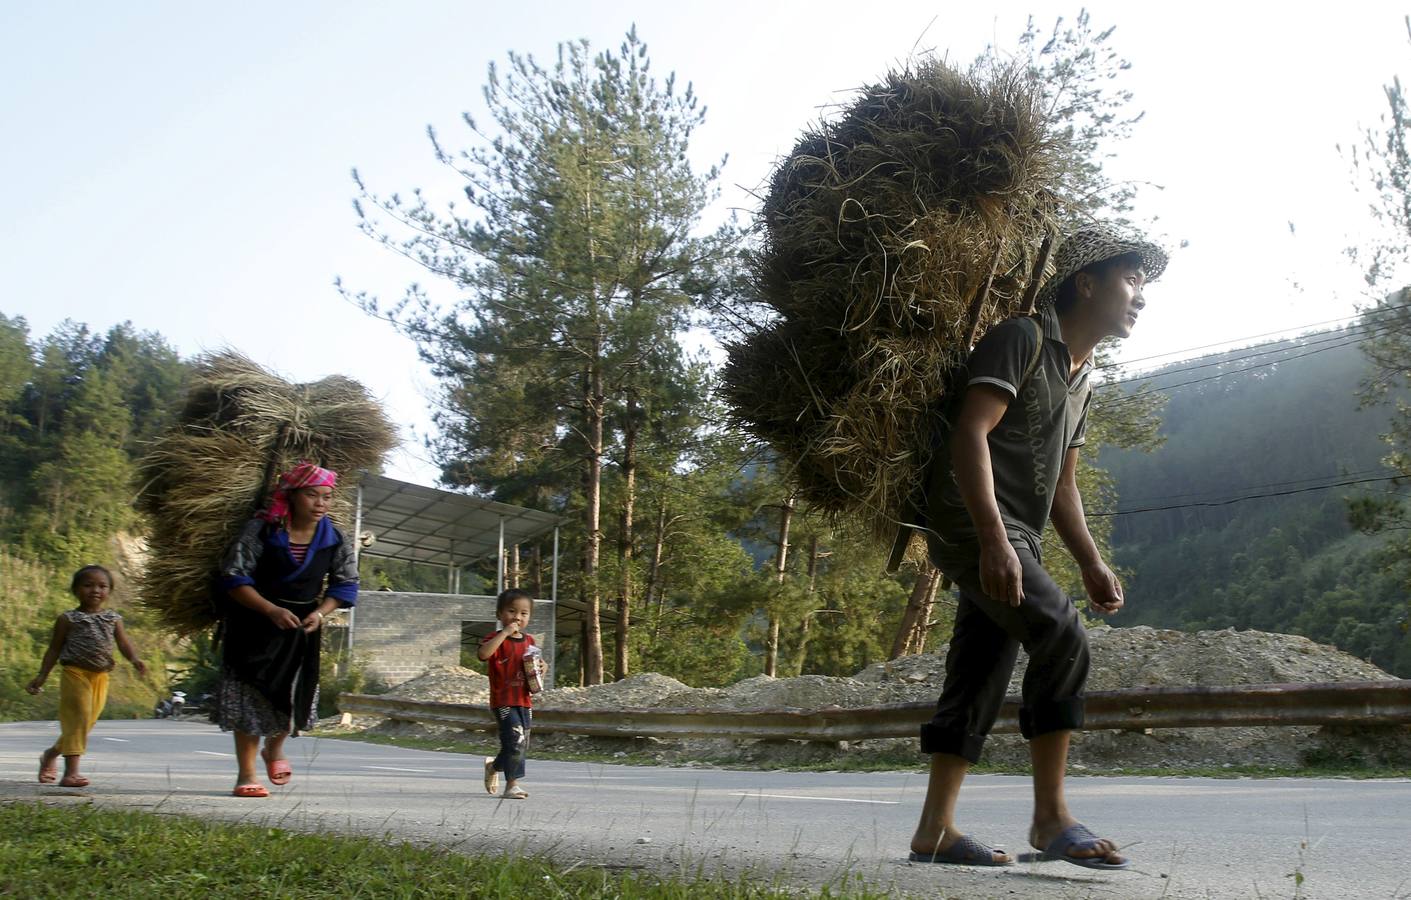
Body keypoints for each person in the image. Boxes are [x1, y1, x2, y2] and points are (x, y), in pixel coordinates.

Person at [911, 224, 1168, 870]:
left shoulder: (1082, 378)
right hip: (969, 518)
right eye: (1131, 280)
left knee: (982, 662)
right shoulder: (1021, 339)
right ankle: (1050, 817)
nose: (1141, 296)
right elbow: (970, 433)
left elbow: (1063, 485)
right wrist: (992, 539)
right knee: (1060, 633)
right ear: (1086, 284)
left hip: (1014, 532)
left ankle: (934, 829)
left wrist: (1090, 561)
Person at [214, 461, 358, 798]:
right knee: (250, 695)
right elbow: (234, 577)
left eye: (326, 497)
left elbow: (346, 583)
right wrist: (270, 609)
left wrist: (321, 613)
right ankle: (246, 774)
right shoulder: (262, 531)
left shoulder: (334, 538)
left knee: (293, 694)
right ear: (292, 496)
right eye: (312, 495)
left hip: (302, 628)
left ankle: (274, 748)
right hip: (253, 622)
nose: (320, 503)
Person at [27, 564, 148, 788]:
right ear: (76, 589)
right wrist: (42, 676)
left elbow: (123, 643)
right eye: (88, 585)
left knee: (85, 723)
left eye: (102, 586)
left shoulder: (113, 618)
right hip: (75, 673)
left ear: (109, 591)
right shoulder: (68, 619)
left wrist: (134, 660)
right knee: (78, 718)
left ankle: (51, 754)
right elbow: (54, 649)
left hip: (100, 676)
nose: (95, 590)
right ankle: (71, 773)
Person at [477, 588, 544, 800]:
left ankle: (494, 767)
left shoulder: (530, 641)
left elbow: (535, 664)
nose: (517, 617)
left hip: (524, 700)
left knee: (519, 743)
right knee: (515, 739)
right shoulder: (495, 638)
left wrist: (543, 667)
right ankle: (512, 785)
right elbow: (483, 654)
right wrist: (505, 633)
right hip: (503, 700)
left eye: (524, 613)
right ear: (499, 614)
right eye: (511, 611)